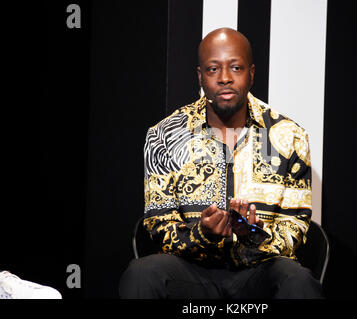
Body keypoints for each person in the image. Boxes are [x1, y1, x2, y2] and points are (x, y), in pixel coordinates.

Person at [119, 28, 323, 299]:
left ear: (251, 73)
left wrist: (253, 235)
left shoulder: (289, 136)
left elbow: (294, 227)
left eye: (236, 67)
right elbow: (158, 223)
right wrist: (203, 235)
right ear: (200, 76)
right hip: (190, 275)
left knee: (297, 281)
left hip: (259, 274)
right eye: (213, 69)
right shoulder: (164, 136)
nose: (225, 78)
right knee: (142, 274)